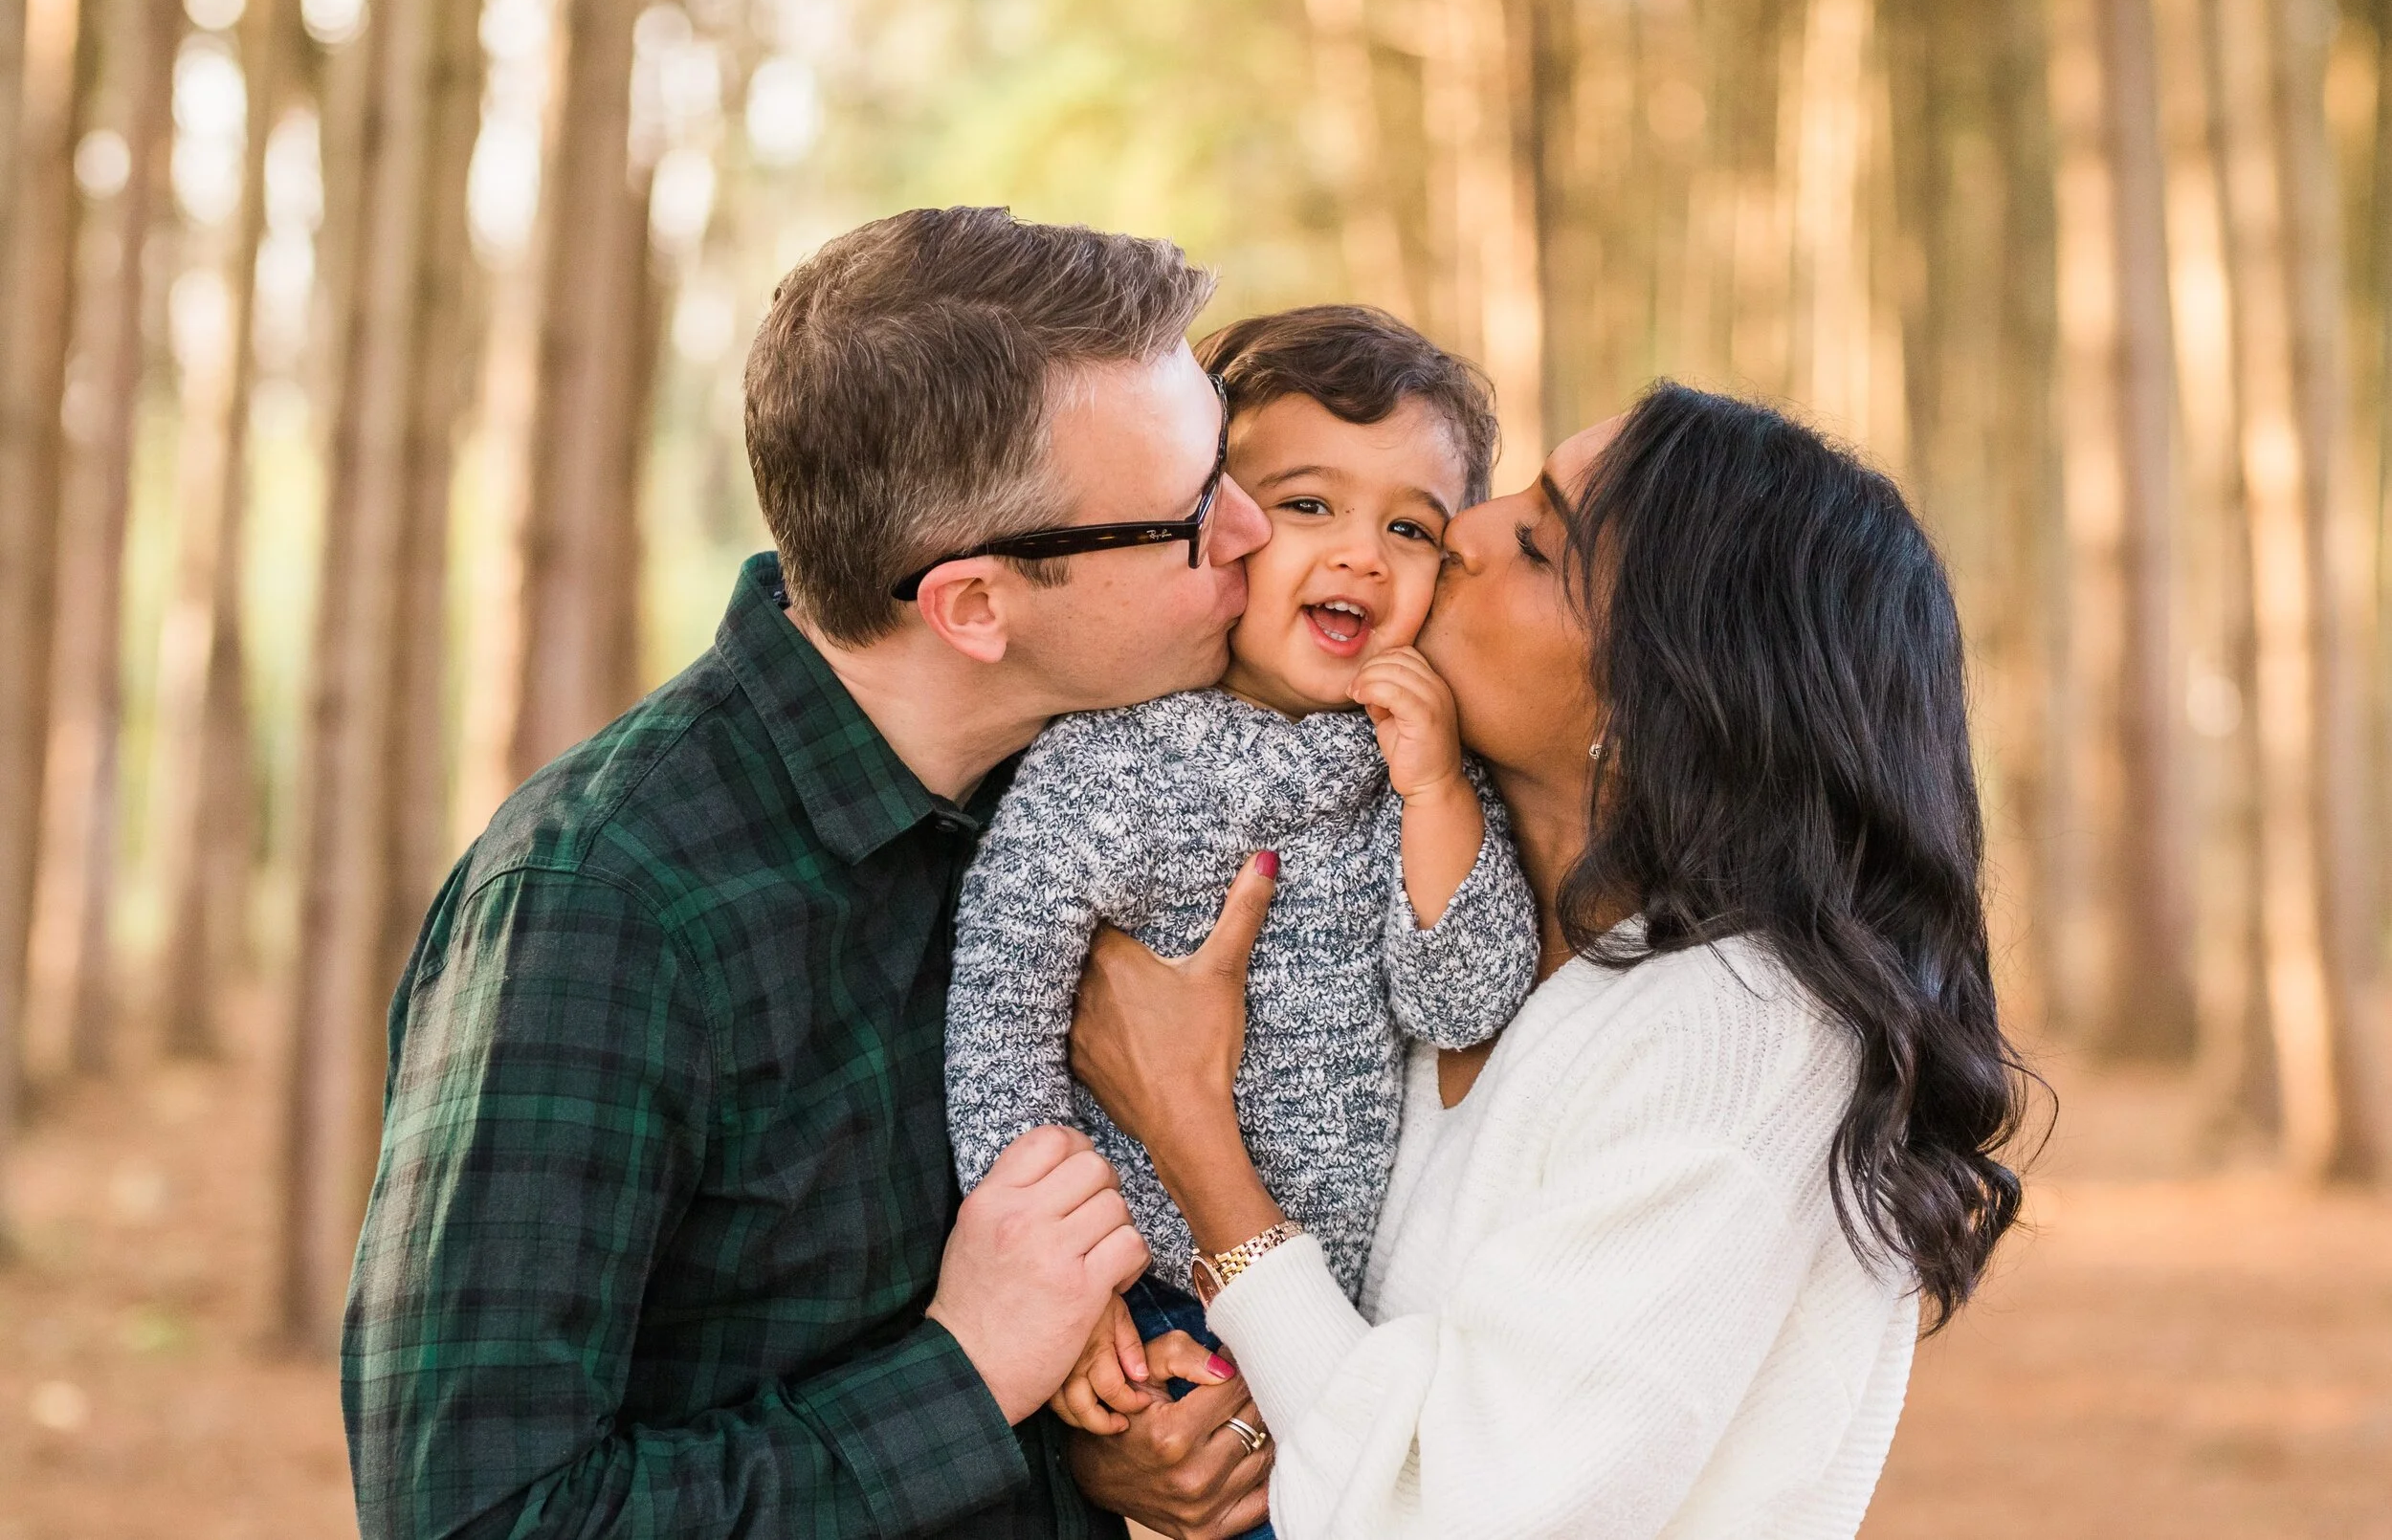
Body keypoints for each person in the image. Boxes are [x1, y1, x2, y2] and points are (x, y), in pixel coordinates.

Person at [341, 208, 1280, 1539]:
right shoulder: (602, 904)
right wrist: (965, 1375)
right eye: (1191, 511)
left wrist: (1112, 1444)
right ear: (973, 605)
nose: (1248, 528)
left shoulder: (1086, 801)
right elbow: (482, 1514)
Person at [1066, 384, 2034, 1538]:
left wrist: (1191, 1133)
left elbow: (1457, 1512)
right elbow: (1367, 1374)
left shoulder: (1743, 1041)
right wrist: (1167, 1439)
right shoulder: (1456, 913)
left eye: (1533, 541)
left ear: (1653, 705)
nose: (1462, 531)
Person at [943, 307, 1540, 1470]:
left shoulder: (1418, 765)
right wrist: (1060, 1284)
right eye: (1309, 505)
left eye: (1410, 527)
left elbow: (1462, 1001)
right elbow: (998, 1022)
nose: (1361, 553)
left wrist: (1431, 794)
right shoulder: (1113, 754)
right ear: (1218, 523)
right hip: (1148, 1283)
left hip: (1329, 1304)